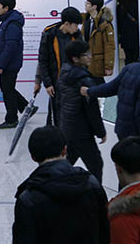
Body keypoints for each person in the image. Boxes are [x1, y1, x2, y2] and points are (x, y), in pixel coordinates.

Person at [13, 126, 109, 244]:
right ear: (65, 150)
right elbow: (105, 231)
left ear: (33, 157)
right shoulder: (91, 183)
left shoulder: (28, 198)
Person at [82, 37, 140, 141]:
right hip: (135, 134)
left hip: (122, 128)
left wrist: (89, 91)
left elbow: (110, 88)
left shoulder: (130, 67)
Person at [58, 41, 107, 183]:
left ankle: (57, 184)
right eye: (86, 55)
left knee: (68, 160)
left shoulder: (64, 72)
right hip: (81, 129)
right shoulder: (84, 79)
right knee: (96, 164)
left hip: (68, 125)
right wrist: (101, 132)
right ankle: (96, 192)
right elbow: (92, 110)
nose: (90, 56)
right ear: (75, 59)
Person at [0, 0, 30, 129]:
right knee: (8, 89)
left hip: (10, 64)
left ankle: (11, 120)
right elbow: (2, 41)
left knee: (7, 91)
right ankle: (27, 107)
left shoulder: (13, 24)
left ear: (6, 8)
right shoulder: (7, 21)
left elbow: (10, 47)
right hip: (9, 63)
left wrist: (1, 65)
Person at [38, 7, 82, 126]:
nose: (77, 28)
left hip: (73, 83)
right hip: (56, 83)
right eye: (75, 25)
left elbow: (82, 60)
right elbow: (43, 61)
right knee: (55, 114)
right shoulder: (49, 34)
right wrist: (47, 83)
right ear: (66, 24)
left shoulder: (77, 35)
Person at [82, 0, 116, 85]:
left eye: (88, 3)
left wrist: (109, 66)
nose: (85, 5)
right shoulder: (87, 20)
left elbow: (109, 46)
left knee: (98, 84)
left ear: (94, 6)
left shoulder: (105, 25)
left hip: (97, 63)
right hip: (86, 61)